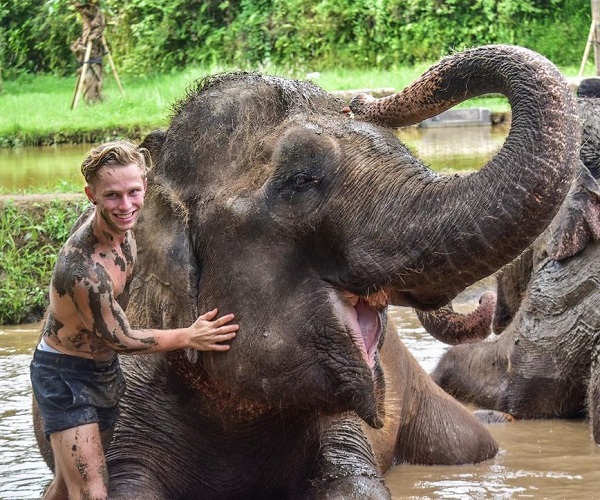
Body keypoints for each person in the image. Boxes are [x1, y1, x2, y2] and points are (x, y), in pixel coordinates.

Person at [30, 140, 239, 500]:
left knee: (67, 486)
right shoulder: (84, 272)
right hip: (66, 376)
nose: (126, 206)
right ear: (91, 195)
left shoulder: (126, 233)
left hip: (102, 370)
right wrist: (190, 336)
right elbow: (122, 340)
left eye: (133, 192)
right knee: (93, 492)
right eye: (112, 196)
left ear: (146, 186)